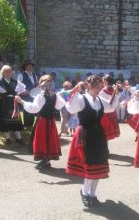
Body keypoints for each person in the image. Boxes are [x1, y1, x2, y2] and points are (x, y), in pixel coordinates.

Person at [65, 75, 113, 207]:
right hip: (85, 135)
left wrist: (116, 93)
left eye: (100, 87)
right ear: (89, 86)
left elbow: (111, 107)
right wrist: (75, 91)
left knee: (99, 165)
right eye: (97, 87)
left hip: (98, 135)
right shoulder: (81, 98)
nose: (99, 89)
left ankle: (93, 194)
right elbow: (70, 108)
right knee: (90, 166)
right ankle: (84, 192)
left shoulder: (99, 99)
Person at [16, 75, 66, 169]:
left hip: (43, 121)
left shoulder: (41, 96)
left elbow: (34, 109)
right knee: (49, 139)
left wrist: (21, 101)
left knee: (42, 139)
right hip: (51, 121)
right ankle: (46, 161)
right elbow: (60, 105)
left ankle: (44, 160)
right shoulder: (54, 95)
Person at [0, 65, 25, 144]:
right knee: (4, 120)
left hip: (13, 102)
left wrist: (17, 93)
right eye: (6, 71)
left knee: (15, 119)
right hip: (3, 102)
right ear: (3, 73)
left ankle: (18, 138)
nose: (8, 73)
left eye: (10, 71)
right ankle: (7, 138)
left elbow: (23, 87)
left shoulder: (14, 81)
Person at [99, 74, 120, 141]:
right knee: (107, 132)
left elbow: (100, 101)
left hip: (104, 114)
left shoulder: (104, 90)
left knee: (102, 131)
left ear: (106, 81)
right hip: (112, 112)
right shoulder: (114, 89)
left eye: (103, 80)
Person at [17, 59, 38, 128]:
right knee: (26, 109)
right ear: (25, 66)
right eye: (29, 66)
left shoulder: (35, 76)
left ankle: (30, 124)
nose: (30, 67)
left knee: (32, 108)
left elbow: (36, 85)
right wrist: (25, 91)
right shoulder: (21, 75)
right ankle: (26, 124)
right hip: (25, 96)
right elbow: (18, 85)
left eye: (32, 66)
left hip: (33, 96)